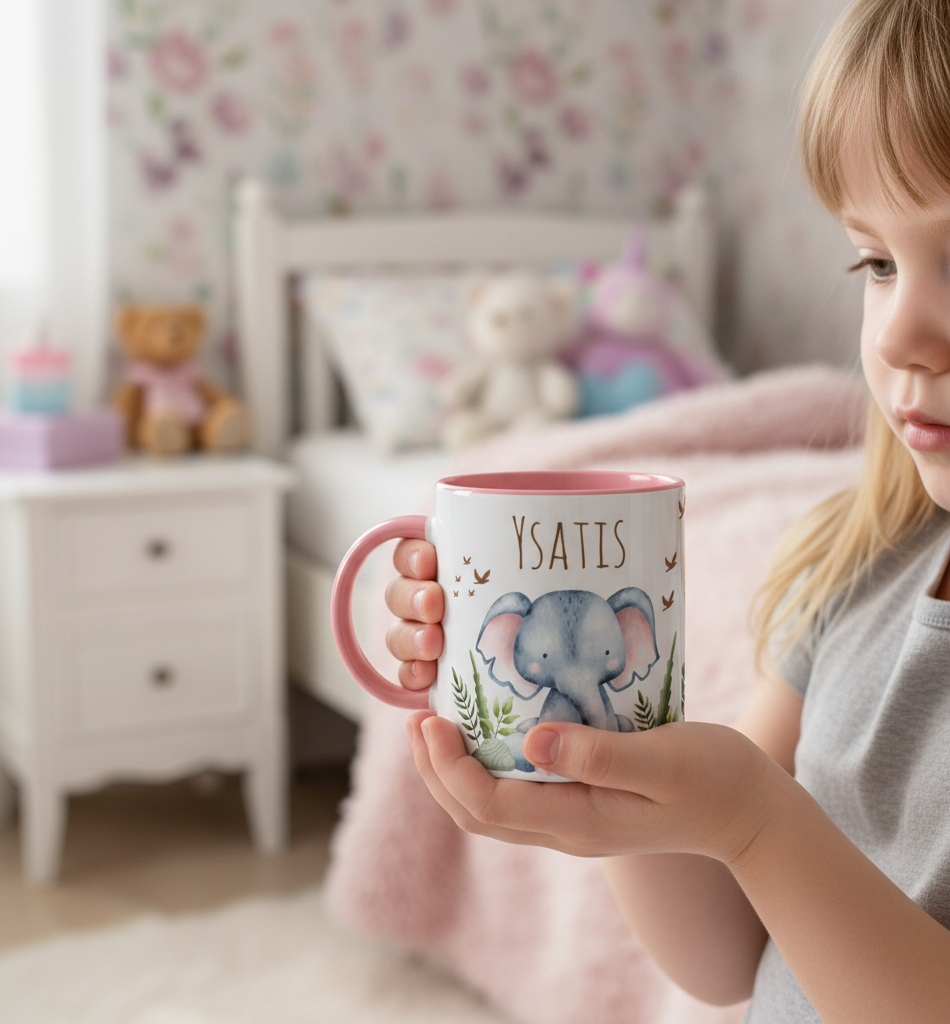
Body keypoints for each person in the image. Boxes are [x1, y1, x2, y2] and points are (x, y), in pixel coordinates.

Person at [382, 2, 950, 1021]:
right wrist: (609, 784)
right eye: (875, 262)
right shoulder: (860, 565)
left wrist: (754, 819)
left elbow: (761, 836)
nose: (901, 329)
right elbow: (723, 954)